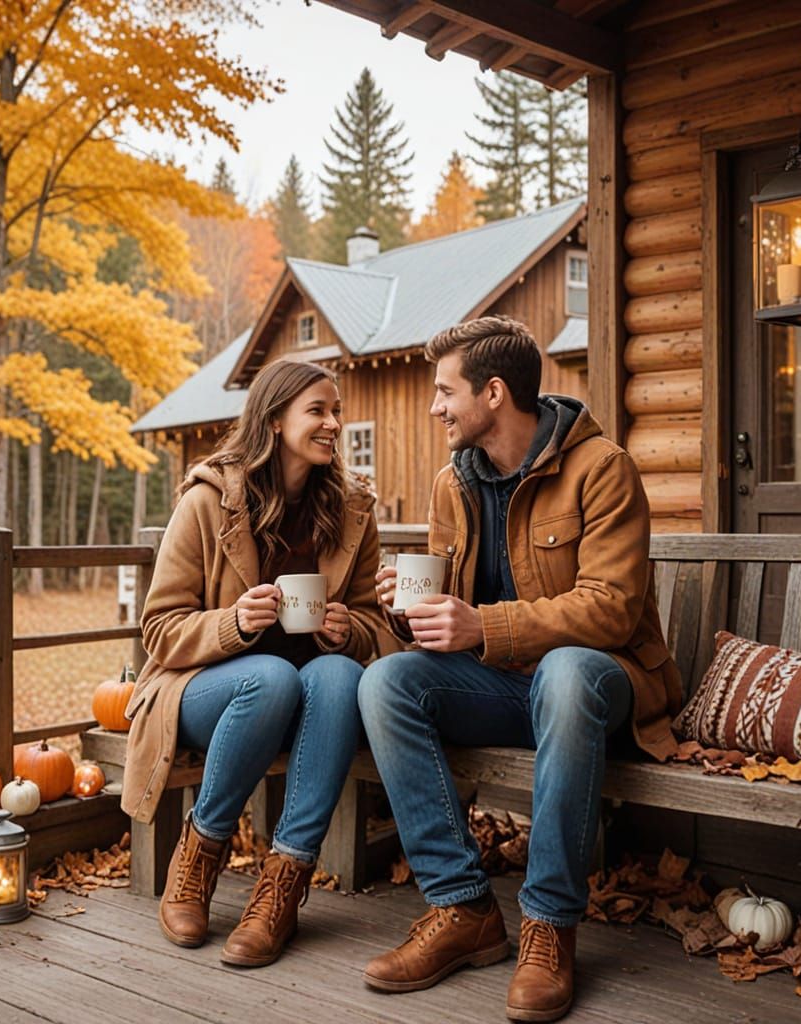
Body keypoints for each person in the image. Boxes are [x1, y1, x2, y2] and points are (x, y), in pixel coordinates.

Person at [357, 316, 682, 1022]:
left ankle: (549, 924)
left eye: (446, 392)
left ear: (495, 393)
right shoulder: (453, 483)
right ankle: (462, 908)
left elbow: (612, 610)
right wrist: (409, 613)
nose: (436, 407)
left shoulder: (602, 469)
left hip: (603, 684)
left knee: (565, 673)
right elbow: (451, 615)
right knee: (385, 682)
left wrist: (484, 625)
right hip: (506, 687)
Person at [121, 359, 385, 967]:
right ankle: (197, 859)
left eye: (337, 411)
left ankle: (281, 889)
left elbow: (373, 622)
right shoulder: (208, 502)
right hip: (206, 692)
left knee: (339, 675)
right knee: (270, 678)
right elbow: (159, 628)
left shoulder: (351, 510)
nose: (334, 423)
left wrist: (348, 631)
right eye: (318, 411)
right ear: (274, 420)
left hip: (311, 703)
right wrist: (234, 624)